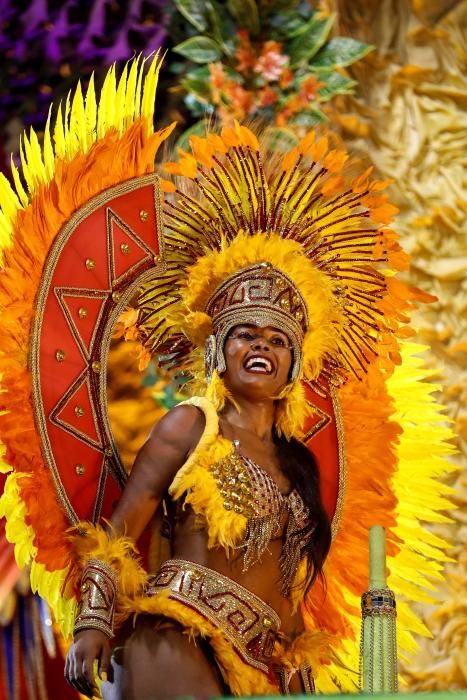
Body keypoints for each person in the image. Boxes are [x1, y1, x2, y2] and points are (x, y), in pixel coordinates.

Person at [66, 317, 332, 698]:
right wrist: (93, 622)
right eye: (246, 335)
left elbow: (290, 583)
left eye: (277, 340)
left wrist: (298, 674)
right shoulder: (191, 424)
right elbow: (118, 533)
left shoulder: (300, 463)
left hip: (260, 667)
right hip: (178, 635)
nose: (261, 346)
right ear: (218, 351)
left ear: (293, 364)